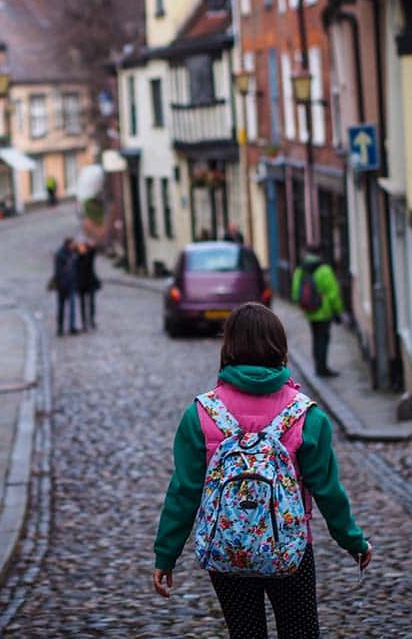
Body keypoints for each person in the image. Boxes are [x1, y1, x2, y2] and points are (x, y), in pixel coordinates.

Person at [152, 303, 372, 638]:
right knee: (300, 632)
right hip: (291, 551)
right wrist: (353, 541)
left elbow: (184, 491)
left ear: (229, 348)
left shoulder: (200, 414)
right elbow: (328, 491)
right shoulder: (306, 416)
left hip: (227, 551)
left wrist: (166, 554)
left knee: (245, 634)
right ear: (280, 348)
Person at [291, 242, 344, 378]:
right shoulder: (324, 270)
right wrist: (337, 311)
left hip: (309, 311)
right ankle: (322, 368)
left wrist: (303, 304)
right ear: (319, 254)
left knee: (315, 338)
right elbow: (333, 293)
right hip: (324, 311)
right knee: (323, 339)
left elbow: (296, 292)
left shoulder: (300, 269)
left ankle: (318, 366)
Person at [53, 237, 78, 336]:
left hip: (72, 284)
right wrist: (62, 282)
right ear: (68, 244)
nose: (74, 246)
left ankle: (72, 327)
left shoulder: (74, 253)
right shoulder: (60, 254)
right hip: (62, 286)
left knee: (72, 307)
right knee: (61, 308)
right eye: (72, 244)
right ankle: (60, 328)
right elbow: (57, 271)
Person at [75, 240, 100, 331]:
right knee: (82, 305)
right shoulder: (76, 258)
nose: (82, 249)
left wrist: (91, 245)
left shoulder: (89, 256)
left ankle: (91, 320)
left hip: (90, 283)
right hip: (81, 284)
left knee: (91, 303)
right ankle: (84, 323)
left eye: (83, 248)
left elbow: (93, 251)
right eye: (80, 248)